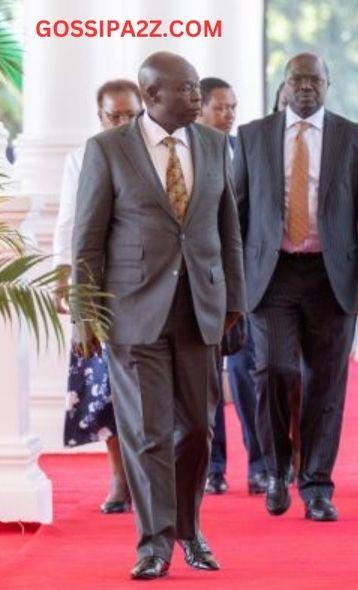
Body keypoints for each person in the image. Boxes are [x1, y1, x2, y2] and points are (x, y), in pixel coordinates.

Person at [72, 51, 245, 580]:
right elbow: (87, 240)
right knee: (147, 432)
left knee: (196, 429)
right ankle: (154, 543)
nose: (198, 98)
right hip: (132, 311)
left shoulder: (215, 145)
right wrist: (85, 315)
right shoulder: (107, 149)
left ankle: (190, 530)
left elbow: (226, 230)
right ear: (153, 96)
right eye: (188, 90)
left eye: (197, 89)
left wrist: (234, 299)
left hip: (200, 308)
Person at [233, 52, 358, 522]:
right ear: (284, 85)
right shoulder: (252, 135)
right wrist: (234, 284)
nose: (306, 86)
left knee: (326, 384)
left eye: (315, 78)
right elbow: (238, 211)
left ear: (328, 84)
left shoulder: (356, 138)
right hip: (271, 276)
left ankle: (316, 484)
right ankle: (274, 470)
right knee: (272, 369)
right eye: (297, 79)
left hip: (332, 276)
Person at [54, 79, 141, 515]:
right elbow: (70, 223)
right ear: (99, 115)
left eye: (131, 114)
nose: (123, 122)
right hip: (98, 289)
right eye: (114, 115)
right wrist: (64, 279)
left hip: (143, 285)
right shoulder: (82, 157)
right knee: (101, 386)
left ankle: (151, 477)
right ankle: (119, 476)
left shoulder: (155, 155)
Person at [195, 76, 268, 496]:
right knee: (205, 381)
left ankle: (258, 464)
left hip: (244, 286)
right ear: (201, 109)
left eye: (233, 107)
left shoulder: (244, 151)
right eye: (220, 107)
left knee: (246, 375)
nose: (229, 115)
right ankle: (213, 467)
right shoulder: (189, 155)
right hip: (203, 286)